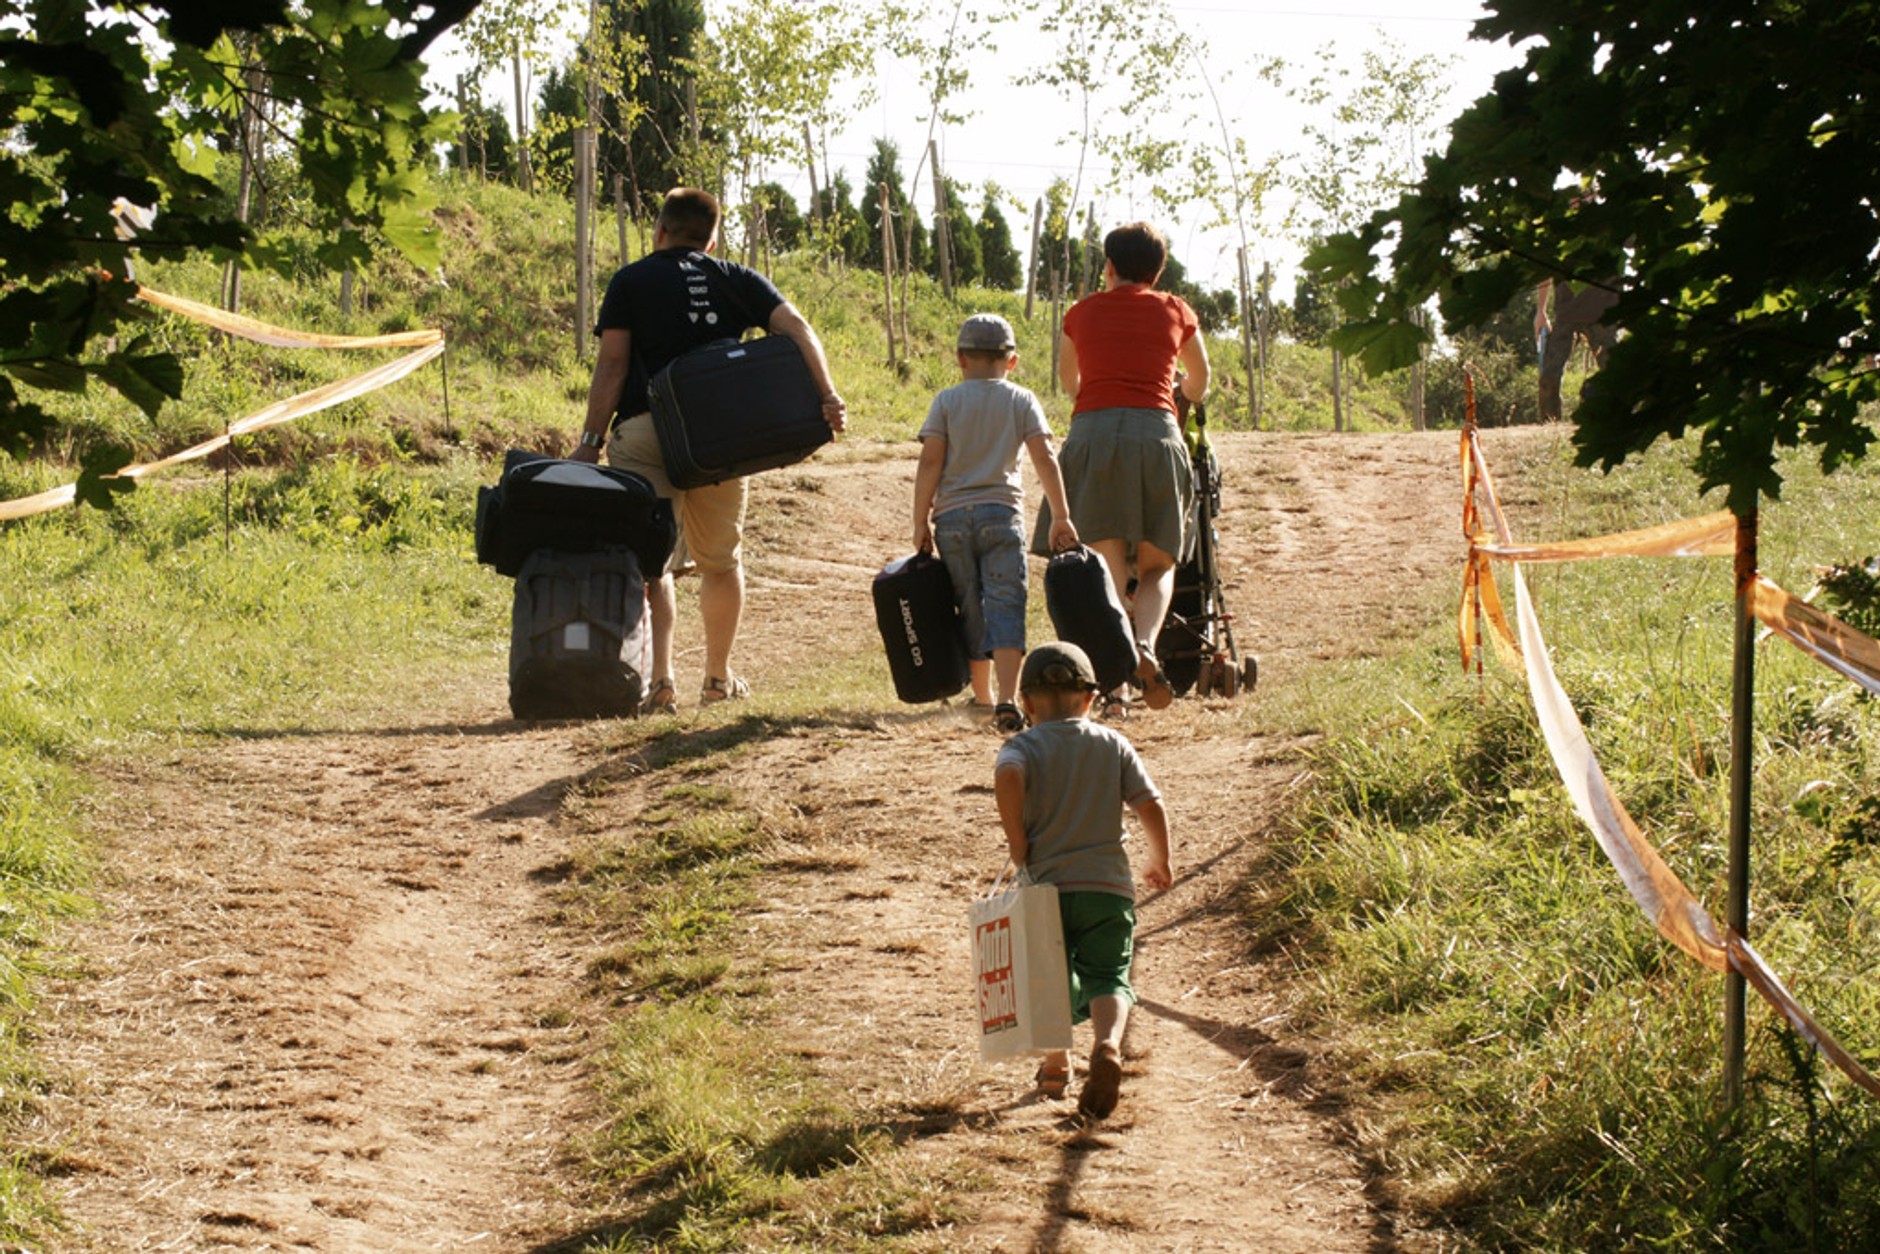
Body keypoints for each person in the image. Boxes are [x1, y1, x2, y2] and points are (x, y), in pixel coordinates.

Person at [571, 187, 845, 713]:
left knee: (655, 563)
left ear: (659, 231)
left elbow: (613, 364)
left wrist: (590, 442)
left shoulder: (630, 280)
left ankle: (661, 682)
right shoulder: (736, 277)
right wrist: (828, 396)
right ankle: (717, 678)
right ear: (712, 241)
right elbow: (798, 329)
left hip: (645, 433)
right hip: (720, 440)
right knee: (720, 561)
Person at [994, 641, 1172, 1119]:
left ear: (1026, 704)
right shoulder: (1112, 743)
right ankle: (1108, 1044)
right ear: (1091, 699)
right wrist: (1160, 860)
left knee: (1047, 978)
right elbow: (1150, 803)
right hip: (1105, 887)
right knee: (1108, 975)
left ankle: (1056, 1068)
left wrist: (1017, 841)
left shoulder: (1021, 747)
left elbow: (1008, 776)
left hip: (1044, 887)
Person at [1045, 221, 1209, 717]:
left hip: (1094, 437)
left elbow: (1069, 382)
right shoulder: (1175, 310)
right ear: (1157, 272)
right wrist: (1181, 391)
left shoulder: (1080, 313)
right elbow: (1200, 382)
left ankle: (1115, 691)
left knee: (1107, 570)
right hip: (1157, 436)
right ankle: (1144, 646)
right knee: (1159, 566)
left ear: (1109, 267)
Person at [913, 314, 1079, 733]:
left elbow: (930, 461)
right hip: (1002, 516)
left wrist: (919, 521)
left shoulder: (946, 401)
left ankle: (983, 696)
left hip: (951, 519)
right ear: (1013, 361)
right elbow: (1044, 457)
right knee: (1006, 601)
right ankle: (1007, 699)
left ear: (960, 358)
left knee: (968, 604)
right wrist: (1060, 515)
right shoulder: (1021, 399)